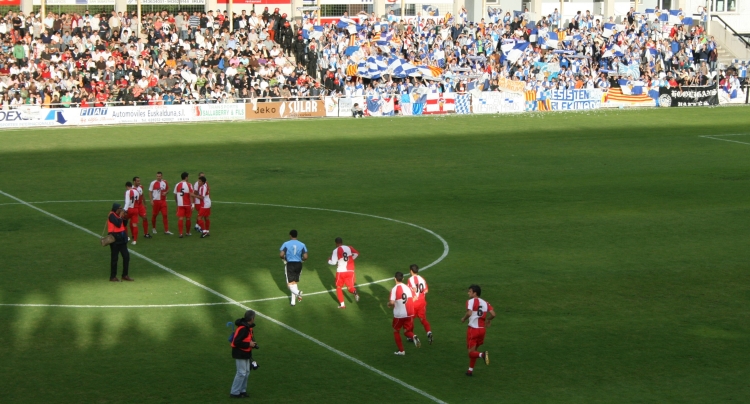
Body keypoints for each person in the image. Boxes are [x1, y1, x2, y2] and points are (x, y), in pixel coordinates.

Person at [460, 284, 495, 376]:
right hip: (482, 331)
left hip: (473, 330)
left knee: (471, 353)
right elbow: (493, 314)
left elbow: (469, 312)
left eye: (470, 291)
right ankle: (470, 371)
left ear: (475, 293)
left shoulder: (470, 301)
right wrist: (488, 320)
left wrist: (464, 318)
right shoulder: (485, 302)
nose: (468, 293)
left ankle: (482, 355)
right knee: (474, 351)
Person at [388, 271, 420, 355]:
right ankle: (413, 336)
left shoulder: (394, 289)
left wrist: (388, 304)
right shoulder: (408, 287)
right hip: (409, 313)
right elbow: (415, 298)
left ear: (395, 279)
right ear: (403, 279)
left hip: (399, 314)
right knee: (406, 331)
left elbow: (391, 302)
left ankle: (401, 351)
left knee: (396, 330)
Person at [230, 309, 257, 399]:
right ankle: (234, 392)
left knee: (247, 372)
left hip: (246, 352)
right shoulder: (244, 329)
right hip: (240, 352)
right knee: (241, 372)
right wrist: (249, 344)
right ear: (252, 318)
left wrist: (252, 343)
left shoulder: (248, 327)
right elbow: (237, 342)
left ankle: (242, 390)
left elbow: (248, 339)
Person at [327, 237, 360, 309]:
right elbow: (356, 254)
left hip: (341, 272)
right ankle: (354, 292)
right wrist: (351, 259)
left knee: (339, 287)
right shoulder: (349, 247)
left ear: (336, 243)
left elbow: (333, 262)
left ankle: (342, 305)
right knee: (350, 287)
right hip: (350, 271)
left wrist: (329, 260)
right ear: (342, 242)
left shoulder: (335, 250)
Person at [279, 229, 307, 306]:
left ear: (290, 235)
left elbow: (281, 254)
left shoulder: (286, 244)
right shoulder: (302, 244)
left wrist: (284, 259)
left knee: (289, 285)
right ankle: (293, 302)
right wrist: (302, 260)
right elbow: (305, 256)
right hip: (299, 264)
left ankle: (298, 293)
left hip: (290, 264)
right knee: (294, 283)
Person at [407, 264, 433, 344]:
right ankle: (429, 332)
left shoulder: (410, 280)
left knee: (410, 320)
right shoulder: (422, 279)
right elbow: (426, 290)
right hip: (422, 302)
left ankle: (411, 337)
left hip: (414, 303)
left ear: (411, 271)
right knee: (423, 319)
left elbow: (410, 290)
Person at [107, 203, 132, 282]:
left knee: (126, 256)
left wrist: (125, 217)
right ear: (115, 209)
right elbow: (117, 224)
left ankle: (125, 275)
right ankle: (112, 276)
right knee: (115, 258)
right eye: (119, 208)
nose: (121, 210)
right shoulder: (111, 215)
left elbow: (124, 224)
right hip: (114, 239)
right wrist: (121, 216)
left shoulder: (118, 215)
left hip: (121, 239)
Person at [173, 172, 194, 238]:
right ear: (186, 177)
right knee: (188, 218)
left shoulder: (177, 185)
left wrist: (177, 202)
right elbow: (191, 195)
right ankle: (187, 233)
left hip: (180, 204)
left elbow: (175, 195)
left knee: (181, 218)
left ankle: (181, 234)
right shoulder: (189, 184)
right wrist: (193, 204)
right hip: (187, 204)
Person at [123, 181, 140, 245]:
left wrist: (124, 210)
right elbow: (138, 200)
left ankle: (127, 237)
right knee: (135, 225)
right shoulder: (137, 191)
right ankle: (135, 240)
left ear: (127, 186)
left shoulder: (128, 192)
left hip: (129, 209)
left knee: (123, 222)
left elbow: (127, 202)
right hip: (136, 209)